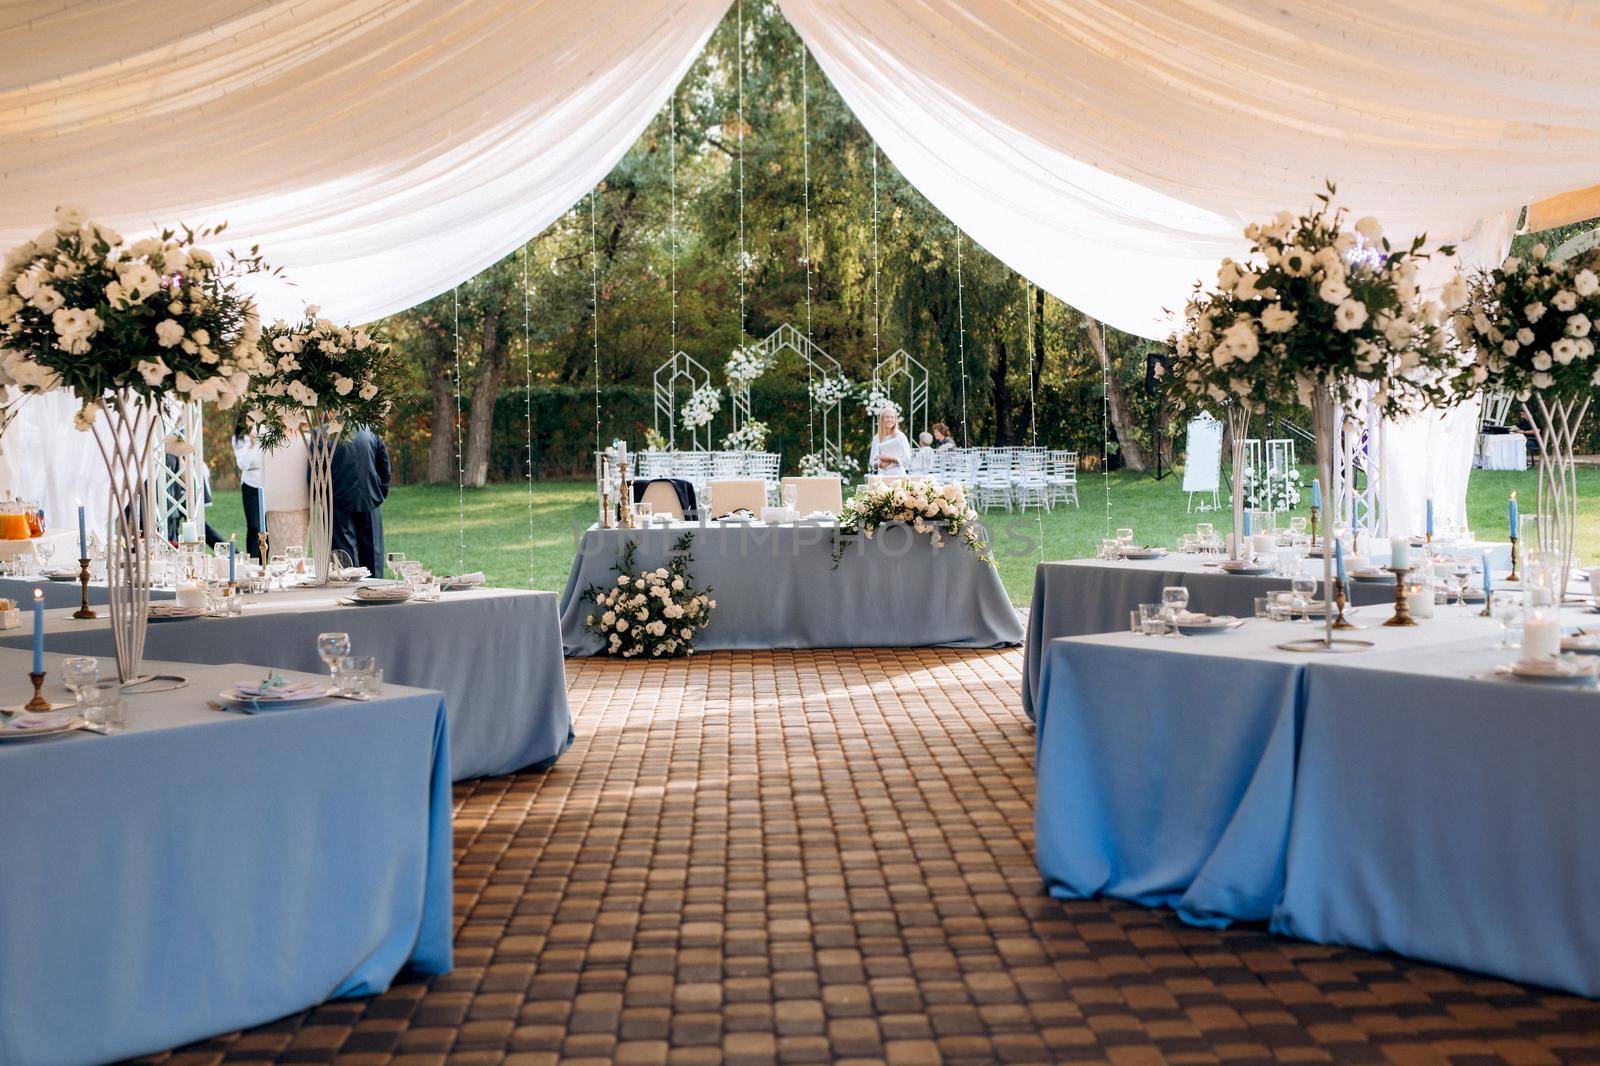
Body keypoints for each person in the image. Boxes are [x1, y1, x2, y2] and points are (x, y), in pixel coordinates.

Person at [329, 425, 391, 576]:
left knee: (345, 559)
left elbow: (316, 473)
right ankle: (376, 592)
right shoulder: (372, 431)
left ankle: (347, 591)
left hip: (338, 502)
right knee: (373, 556)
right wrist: (378, 493)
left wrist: (327, 499)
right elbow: (384, 466)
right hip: (369, 498)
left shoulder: (324, 434)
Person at [231, 413, 264, 560]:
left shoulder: (266, 434)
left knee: (265, 528)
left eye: (254, 419)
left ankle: (264, 562)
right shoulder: (239, 439)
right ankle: (252, 562)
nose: (251, 423)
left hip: (265, 483)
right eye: (248, 419)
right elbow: (243, 465)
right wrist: (251, 445)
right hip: (249, 485)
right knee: (254, 526)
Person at [868, 409, 912, 474]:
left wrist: (891, 459)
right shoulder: (877, 438)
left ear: (895, 420)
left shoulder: (901, 436)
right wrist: (879, 465)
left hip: (898, 475)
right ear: (882, 419)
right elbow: (872, 462)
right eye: (887, 417)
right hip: (882, 476)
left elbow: (908, 460)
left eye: (892, 417)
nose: (890, 420)